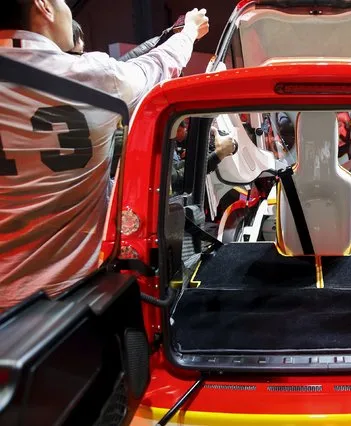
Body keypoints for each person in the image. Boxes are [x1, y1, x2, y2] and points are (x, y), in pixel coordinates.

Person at [0, 0, 210, 311]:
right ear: (44, 6)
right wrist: (189, 31)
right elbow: (155, 67)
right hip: (74, 299)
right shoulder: (93, 78)